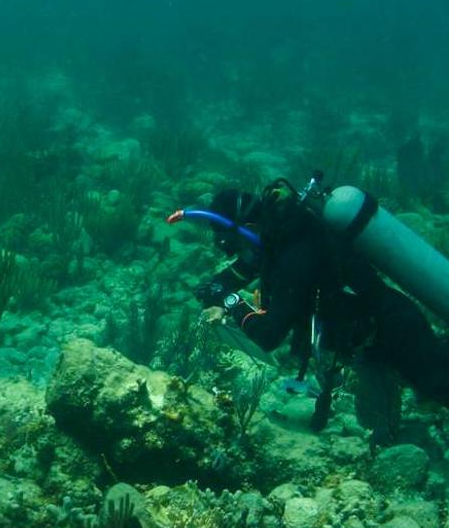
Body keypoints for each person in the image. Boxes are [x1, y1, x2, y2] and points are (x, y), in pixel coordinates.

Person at [177, 178, 449, 439]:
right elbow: (253, 260)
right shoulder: (284, 234)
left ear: (249, 227)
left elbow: (269, 336)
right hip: (374, 340)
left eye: (232, 243)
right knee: (381, 426)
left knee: (438, 386)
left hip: (395, 332)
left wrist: (231, 303)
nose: (233, 253)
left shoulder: (293, 257)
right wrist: (218, 285)